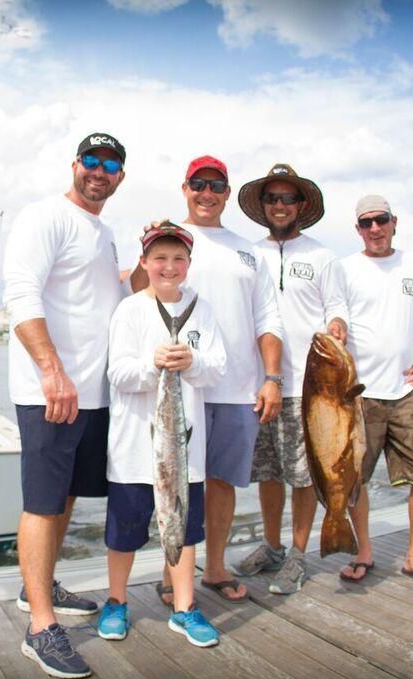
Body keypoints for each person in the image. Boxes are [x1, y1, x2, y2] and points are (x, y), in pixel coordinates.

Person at [2, 132, 127, 678]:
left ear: (121, 176)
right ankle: (41, 628)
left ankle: (41, 588)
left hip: (93, 393)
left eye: (111, 165)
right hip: (51, 390)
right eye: (92, 161)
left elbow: (110, 297)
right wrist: (52, 371)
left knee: (67, 496)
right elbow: (21, 293)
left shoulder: (104, 233)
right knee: (42, 501)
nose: (100, 171)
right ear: (75, 165)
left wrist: (150, 261)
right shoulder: (44, 216)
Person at [135, 156, 284, 604]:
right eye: (198, 184)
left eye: (215, 184)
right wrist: (146, 238)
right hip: (178, 388)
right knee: (172, 480)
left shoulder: (249, 250)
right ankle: (171, 569)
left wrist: (272, 377)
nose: (206, 192)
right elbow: (139, 290)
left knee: (220, 481)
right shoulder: (170, 238)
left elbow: (267, 317)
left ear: (226, 191)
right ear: (185, 188)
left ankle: (215, 567)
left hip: (238, 388)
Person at [100, 224, 226, 647]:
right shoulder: (129, 310)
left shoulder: (202, 309)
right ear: (144, 262)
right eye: (160, 258)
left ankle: (184, 607)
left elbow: (216, 367)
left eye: (177, 259)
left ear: (188, 264)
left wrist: (190, 361)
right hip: (135, 449)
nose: (168, 267)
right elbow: (118, 374)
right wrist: (153, 364)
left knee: (185, 530)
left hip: (185, 448)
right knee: (125, 531)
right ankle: (116, 601)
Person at [232, 164, 349, 594]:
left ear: (301, 205)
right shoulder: (248, 254)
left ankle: (299, 554)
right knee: (268, 471)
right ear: (262, 206)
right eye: (271, 199)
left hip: (310, 389)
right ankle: (272, 546)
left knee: (303, 475)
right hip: (262, 384)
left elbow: (338, 307)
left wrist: (337, 325)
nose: (279, 205)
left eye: (287, 198)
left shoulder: (322, 256)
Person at [336, 195, 413, 588]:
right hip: (359, 395)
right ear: (358, 229)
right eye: (365, 223)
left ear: (394, 221)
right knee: (353, 481)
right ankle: (363, 550)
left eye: (380, 220)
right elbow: (333, 316)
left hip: (404, 393)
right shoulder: (345, 268)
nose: (374, 229)